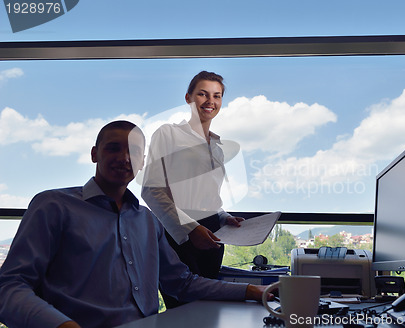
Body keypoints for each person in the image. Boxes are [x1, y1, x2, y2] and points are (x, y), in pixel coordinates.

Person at [0, 120, 268, 328]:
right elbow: (9, 286)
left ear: (142, 163)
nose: (124, 157)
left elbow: (183, 283)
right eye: (113, 147)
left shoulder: (148, 221)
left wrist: (253, 291)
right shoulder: (54, 206)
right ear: (95, 154)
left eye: (134, 151)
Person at [141, 71, 244, 281]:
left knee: (208, 302)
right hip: (177, 233)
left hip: (213, 234)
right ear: (188, 98)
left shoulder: (217, 147)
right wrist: (191, 228)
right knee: (181, 304)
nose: (210, 101)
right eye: (203, 94)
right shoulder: (168, 134)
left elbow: (208, 196)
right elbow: (152, 190)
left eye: (217, 96)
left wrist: (224, 217)